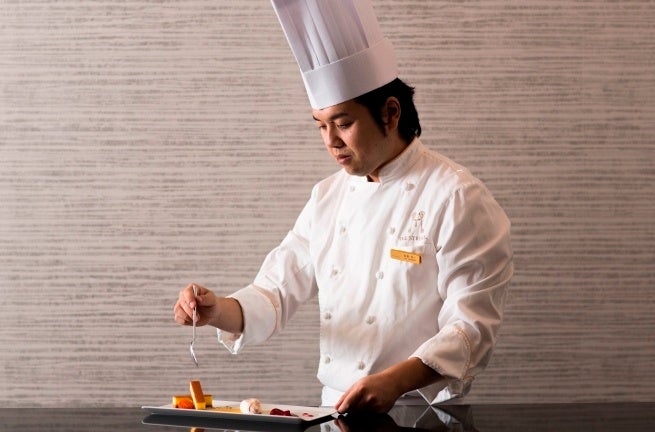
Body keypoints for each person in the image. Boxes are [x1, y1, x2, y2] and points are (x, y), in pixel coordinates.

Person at [173, 0, 513, 414]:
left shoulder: (457, 197)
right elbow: (274, 292)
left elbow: (472, 327)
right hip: (332, 411)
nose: (331, 142)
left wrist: (393, 381)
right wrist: (216, 311)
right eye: (320, 125)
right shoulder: (327, 197)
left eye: (343, 123)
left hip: (421, 413)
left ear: (390, 113)